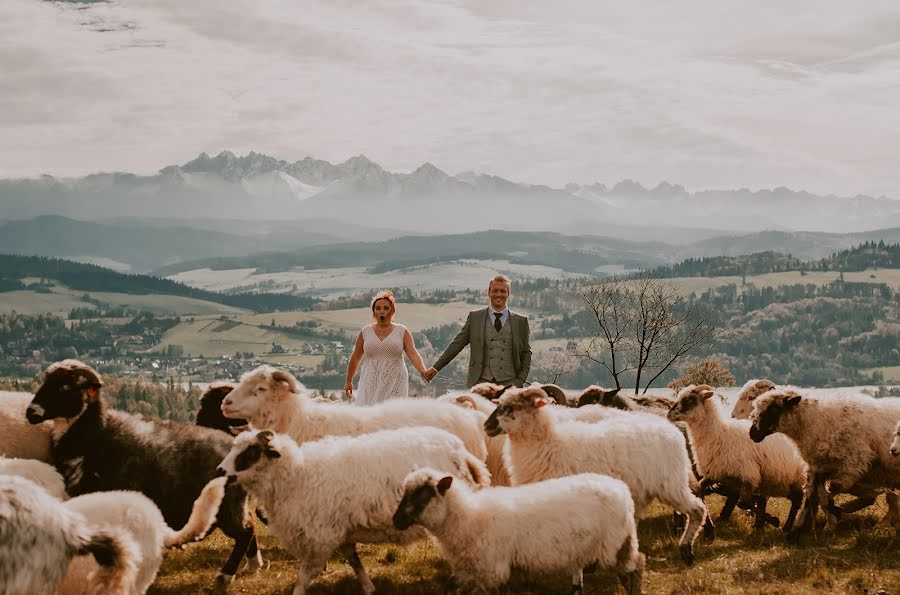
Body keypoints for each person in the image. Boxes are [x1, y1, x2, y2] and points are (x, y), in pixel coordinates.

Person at [424, 274, 531, 388]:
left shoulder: (520, 321)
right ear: (488, 293)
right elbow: (457, 344)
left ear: (508, 294)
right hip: (480, 383)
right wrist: (436, 368)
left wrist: (520, 379)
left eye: (502, 291)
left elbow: (526, 352)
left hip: (511, 384)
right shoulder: (475, 317)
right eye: (495, 290)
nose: (498, 294)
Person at [345, 290, 429, 406]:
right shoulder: (365, 332)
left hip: (395, 379)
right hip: (370, 379)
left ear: (392, 310)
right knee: (367, 414)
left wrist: (423, 371)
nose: (382, 312)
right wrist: (349, 381)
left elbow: (413, 353)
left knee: (391, 415)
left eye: (385, 308)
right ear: (373, 312)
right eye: (378, 308)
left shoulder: (402, 331)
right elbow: (355, 357)